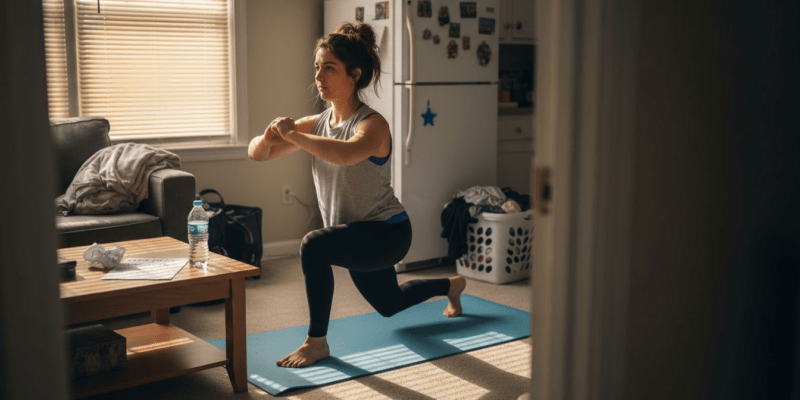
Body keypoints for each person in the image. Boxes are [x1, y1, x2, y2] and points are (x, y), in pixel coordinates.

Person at [248, 22, 467, 369]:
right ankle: (450, 285)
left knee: (313, 245)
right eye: (317, 67)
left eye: (329, 68)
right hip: (354, 234)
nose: (319, 76)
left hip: (389, 232)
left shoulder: (373, 125)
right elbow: (257, 154)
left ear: (354, 75)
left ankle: (316, 342)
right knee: (390, 303)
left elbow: (346, 154)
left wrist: (292, 135)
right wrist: (268, 136)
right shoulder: (316, 124)